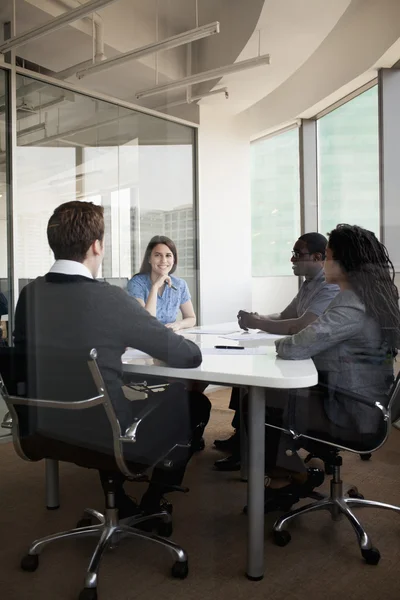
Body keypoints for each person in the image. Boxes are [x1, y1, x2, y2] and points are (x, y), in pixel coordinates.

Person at [14, 201, 211, 521]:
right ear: (97, 245)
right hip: (107, 435)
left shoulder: (29, 295)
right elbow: (188, 356)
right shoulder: (109, 298)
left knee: (99, 403)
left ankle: (116, 496)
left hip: (45, 428)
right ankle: (154, 499)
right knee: (194, 404)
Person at [253, 224, 400, 511]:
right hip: (369, 400)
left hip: (354, 409)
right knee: (274, 396)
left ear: (345, 264)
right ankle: (295, 470)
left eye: (329, 256)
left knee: (260, 402)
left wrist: (283, 343)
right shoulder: (372, 298)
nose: (324, 262)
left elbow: (296, 345)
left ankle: (296, 476)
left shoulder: (350, 305)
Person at [214, 232, 340, 471]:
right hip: (305, 353)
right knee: (244, 375)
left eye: (297, 254)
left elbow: (301, 325)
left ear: (317, 257)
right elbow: (285, 316)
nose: (292, 260)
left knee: (257, 387)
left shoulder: (329, 287)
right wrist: (257, 317)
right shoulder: (309, 284)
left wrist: (258, 324)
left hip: (318, 365)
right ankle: (242, 439)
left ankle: (254, 449)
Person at [127, 235, 196, 332]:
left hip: (168, 338)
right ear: (149, 259)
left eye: (168, 255)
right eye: (157, 255)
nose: (163, 260)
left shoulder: (180, 284)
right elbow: (146, 323)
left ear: (174, 260)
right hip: (143, 340)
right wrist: (155, 287)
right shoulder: (136, 283)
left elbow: (191, 318)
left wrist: (179, 324)